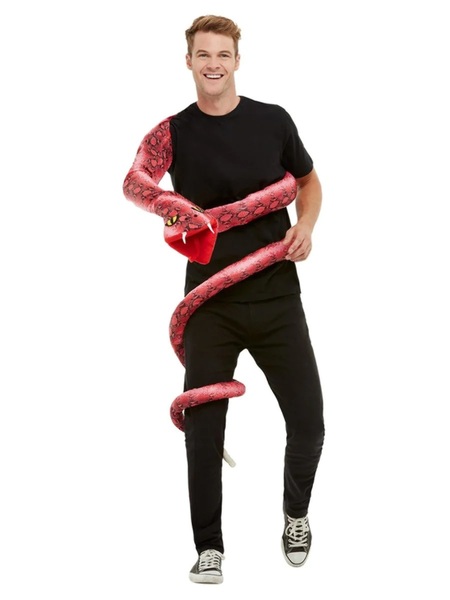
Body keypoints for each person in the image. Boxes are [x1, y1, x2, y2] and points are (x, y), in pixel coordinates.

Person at [123, 15, 325, 584]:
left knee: (309, 422)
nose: (213, 64)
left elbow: (307, 182)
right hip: (209, 305)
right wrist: (174, 209)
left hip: (277, 295)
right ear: (188, 61)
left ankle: (296, 514)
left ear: (237, 61)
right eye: (204, 54)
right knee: (204, 430)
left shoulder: (273, 120)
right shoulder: (173, 132)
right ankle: (209, 547)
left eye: (223, 54)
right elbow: (137, 181)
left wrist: (306, 225)